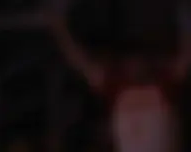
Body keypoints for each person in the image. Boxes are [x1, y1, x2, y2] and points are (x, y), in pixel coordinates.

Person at [51, 11, 189, 152]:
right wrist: (61, 32)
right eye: (131, 61)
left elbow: (185, 59)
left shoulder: (163, 83)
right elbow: (81, 64)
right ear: (124, 63)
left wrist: (186, 25)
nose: (135, 65)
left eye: (139, 60)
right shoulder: (116, 86)